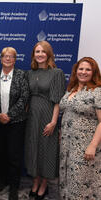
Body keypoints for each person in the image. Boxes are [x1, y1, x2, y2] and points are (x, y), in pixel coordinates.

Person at [24, 41, 65, 200]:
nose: (40, 54)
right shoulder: (30, 73)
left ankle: (44, 185)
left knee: (46, 151)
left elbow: (57, 101)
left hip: (48, 116)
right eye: (37, 51)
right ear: (34, 54)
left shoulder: (57, 73)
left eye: (43, 52)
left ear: (49, 54)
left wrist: (54, 122)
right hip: (32, 117)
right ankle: (35, 182)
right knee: (33, 149)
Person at [59, 57, 101, 199]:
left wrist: (93, 145)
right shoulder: (72, 89)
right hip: (67, 144)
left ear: (94, 72)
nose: (83, 72)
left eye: (88, 69)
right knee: (67, 179)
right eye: (81, 69)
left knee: (81, 182)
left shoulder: (97, 92)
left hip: (85, 145)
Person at [0, 47, 29, 200]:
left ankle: (14, 185)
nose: (7, 59)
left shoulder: (21, 75)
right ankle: (3, 180)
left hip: (16, 122)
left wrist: (9, 115)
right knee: (0, 153)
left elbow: (24, 98)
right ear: (0, 59)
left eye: (11, 56)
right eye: (5, 56)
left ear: (15, 59)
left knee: (14, 155)